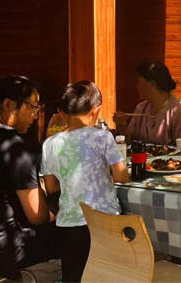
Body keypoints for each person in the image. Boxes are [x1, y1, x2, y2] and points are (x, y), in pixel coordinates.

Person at [42, 81, 130, 282]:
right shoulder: (102, 136)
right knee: (107, 275)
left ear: (64, 111)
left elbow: (51, 187)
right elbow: (121, 176)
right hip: (104, 220)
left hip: (69, 224)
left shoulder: (50, 144)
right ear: (96, 110)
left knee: (75, 276)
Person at [0, 76, 58, 280]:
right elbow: (37, 214)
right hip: (1, 251)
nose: (35, 116)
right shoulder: (12, 143)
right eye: (32, 107)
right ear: (8, 105)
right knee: (76, 237)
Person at [114, 61, 181, 149]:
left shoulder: (179, 111)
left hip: (169, 162)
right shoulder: (141, 108)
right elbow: (129, 145)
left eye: (138, 82)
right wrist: (122, 126)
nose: (136, 86)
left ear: (152, 84)